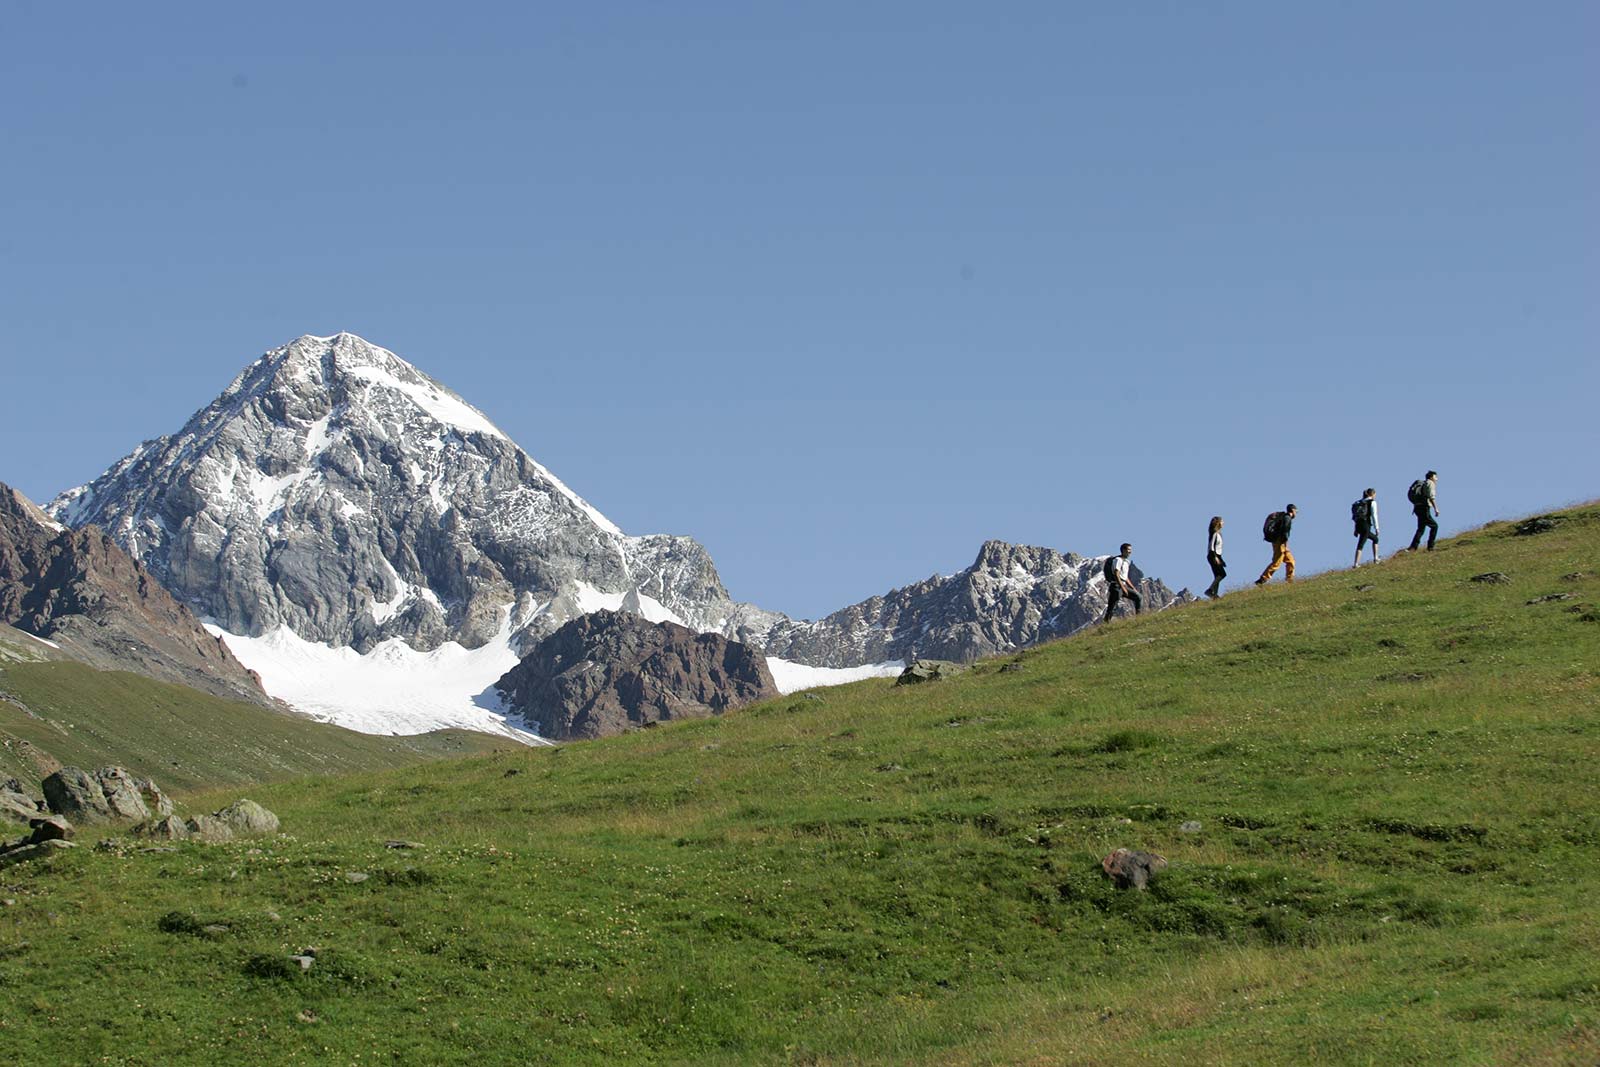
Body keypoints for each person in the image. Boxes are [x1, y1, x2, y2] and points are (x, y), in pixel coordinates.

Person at [1256, 504, 1298, 584]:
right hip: (1280, 543)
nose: (1296, 513)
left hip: (1280, 542)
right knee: (1277, 562)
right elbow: (1284, 531)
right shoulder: (1287, 518)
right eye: (1296, 511)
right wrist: (1284, 540)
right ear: (1292, 510)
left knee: (1291, 561)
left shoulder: (1284, 517)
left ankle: (1290, 579)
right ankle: (1262, 579)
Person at [1102, 543, 1143, 621]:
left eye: (1130, 550)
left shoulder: (1126, 562)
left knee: (1138, 597)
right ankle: (1106, 623)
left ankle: (1139, 618)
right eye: (1128, 550)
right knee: (1112, 608)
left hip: (1122, 585)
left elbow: (1125, 577)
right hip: (1116, 587)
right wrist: (1123, 587)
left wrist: (1132, 588)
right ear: (1123, 550)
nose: (1130, 552)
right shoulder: (1118, 560)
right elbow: (1116, 574)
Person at [1408, 470, 1440, 551]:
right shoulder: (1430, 483)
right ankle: (1430, 547)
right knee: (1434, 526)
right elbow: (1431, 497)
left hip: (1417, 508)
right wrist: (1436, 509)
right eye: (1436, 477)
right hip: (1424, 508)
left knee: (1421, 528)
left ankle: (1413, 547)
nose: (1437, 479)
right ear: (1432, 477)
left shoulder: (1423, 483)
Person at [1352, 488, 1380, 567]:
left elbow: (1356, 517)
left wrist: (1355, 530)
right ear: (1373, 494)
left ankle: (1376, 558)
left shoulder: (1360, 503)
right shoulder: (1372, 502)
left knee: (1375, 539)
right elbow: (1374, 516)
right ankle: (1356, 564)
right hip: (1366, 525)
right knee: (1361, 544)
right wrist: (1377, 528)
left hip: (1358, 525)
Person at [1205, 516, 1226, 598]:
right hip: (1212, 556)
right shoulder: (1214, 533)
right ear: (1218, 523)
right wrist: (1215, 557)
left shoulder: (1219, 534)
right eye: (1222, 521)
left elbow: (1219, 549)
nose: (1223, 523)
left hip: (1217, 556)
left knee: (1217, 576)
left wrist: (1222, 560)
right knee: (1222, 574)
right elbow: (1211, 547)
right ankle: (1209, 590)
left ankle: (1214, 595)